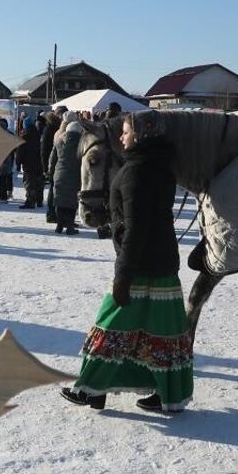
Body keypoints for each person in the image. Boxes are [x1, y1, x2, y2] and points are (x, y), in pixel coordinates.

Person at [61, 111, 193, 413]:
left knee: (110, 327)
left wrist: (123, 274)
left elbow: (136, 227)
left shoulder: (137, 171)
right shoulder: (159, 165)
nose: (122, 137)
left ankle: (91, 389)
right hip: (161, 262)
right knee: (163, 333)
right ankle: (168, 393)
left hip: (140, 265)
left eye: (126, 132)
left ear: (142, 135)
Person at [47, 114, 84, 235]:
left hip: (59, 174)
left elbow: (52, 159)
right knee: (72, 202)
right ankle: (69, 227)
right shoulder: (82, 144)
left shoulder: (59, 141)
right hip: (75, 176)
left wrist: (51, 172)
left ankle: (59, 226)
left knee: (59, 201)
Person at [17, 117, 44, 209]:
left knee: (29, 184)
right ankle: (39, 201)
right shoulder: (39, 136)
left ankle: (30, 201)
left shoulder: (25, 137)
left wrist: (18, 163)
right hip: (39, 163)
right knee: (39, 183)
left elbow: (20, 152)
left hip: (28, 164)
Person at [0, 117, 15, 201]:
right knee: (6, 178)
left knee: (0, 179)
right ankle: (4, 195)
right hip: (8, 159)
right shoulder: (10, 134)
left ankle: (2, 196)